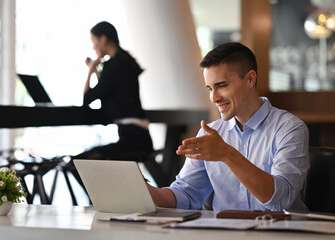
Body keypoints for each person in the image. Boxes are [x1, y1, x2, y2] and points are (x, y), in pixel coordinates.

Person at [146, 42, 309, 211]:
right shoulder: (210, 133)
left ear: (250, 79)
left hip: (278, 234)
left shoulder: (290, 129)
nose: (214, 98)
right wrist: (145, 191)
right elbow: (185, 195)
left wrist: (227, 154)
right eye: (210, 88)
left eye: (221, 86)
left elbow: (280, 200)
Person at [67, 21, 153, 187]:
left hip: (130, 140)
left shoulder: (114, 65)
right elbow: (111, 88)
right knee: (88, 161)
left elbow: (88, 98)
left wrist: (91, 71)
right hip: (141, 137)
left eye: (94, 42)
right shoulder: (125, 62)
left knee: (77, 163)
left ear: (104, 39)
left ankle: (102, 203)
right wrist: (100, 72)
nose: (93, 47)